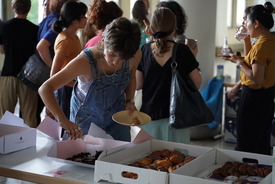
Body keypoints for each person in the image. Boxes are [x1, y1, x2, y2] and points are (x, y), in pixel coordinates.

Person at [39, 17, 141, 141]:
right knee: (84, 158)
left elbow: (131, 76)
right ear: (103, 42)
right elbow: (45, 89)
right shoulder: (85, 62)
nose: (116, 62)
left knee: (120, 158)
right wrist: (62, 119)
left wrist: (129, 101)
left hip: (117, 120)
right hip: (86, 123)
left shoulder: (134, 55)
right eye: (112, 54)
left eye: (122, 58)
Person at [136, 7, 202, 143]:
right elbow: (196, 84)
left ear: (152, 27)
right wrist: (193, 58)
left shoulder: (145, 50)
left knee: (149, 160)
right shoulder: (183, 51)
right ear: (175, 27)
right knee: (176, 160)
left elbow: (138, 84)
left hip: (150, 116)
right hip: (177, 117)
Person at [225, 2, 275, 155]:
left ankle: (246, 177)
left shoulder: (261, 46)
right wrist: (246, 40)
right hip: (267, 99)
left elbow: (256, 78)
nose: (245, 25)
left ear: (256, 23)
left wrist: (239, 62)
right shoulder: (269, 41)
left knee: (246, 145)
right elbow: (252, 61)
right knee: (261, 143)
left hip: (253, 100)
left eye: (246, 21)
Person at [0, 0, 38, 127]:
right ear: (29, 8)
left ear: (13, 7)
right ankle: (30, 145)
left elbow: (1, 50)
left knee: (5, 116)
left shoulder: (4, 26)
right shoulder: (35, 29)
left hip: (8, 73)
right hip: (28, 76)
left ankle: (5, 145)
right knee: (29, 116)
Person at [36, 0, 73, 122]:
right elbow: (41, 47)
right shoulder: (57, 22)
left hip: (41, 72)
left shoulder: (47, 19)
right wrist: (54, 67)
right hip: (49, 72)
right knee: (54, 114)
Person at [51, 1, 87, 120]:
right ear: (74, 21)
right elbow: (54, 74)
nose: (86, 19)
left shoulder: (74, 36)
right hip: (65, 89)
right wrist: (76, 85)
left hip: (70, 86)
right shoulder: (65, 40)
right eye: (83, 16)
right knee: (65, 127)